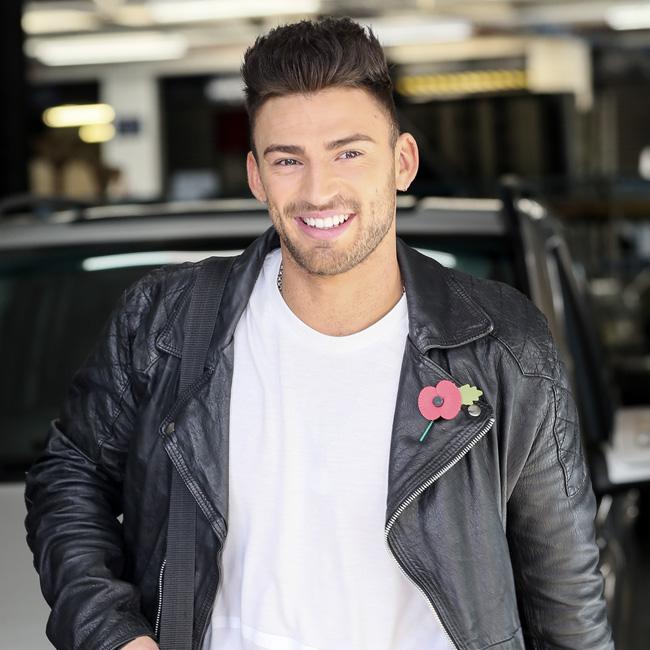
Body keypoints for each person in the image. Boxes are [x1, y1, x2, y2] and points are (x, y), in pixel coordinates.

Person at [25, 17, 613, 650]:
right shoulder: (167, 321)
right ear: (256, 176)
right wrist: (114, 635)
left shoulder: (503, 345)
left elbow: (566, 599)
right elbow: (71, 476)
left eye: (348, 153)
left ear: (403, 162)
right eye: (288, 160)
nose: (318, 190)